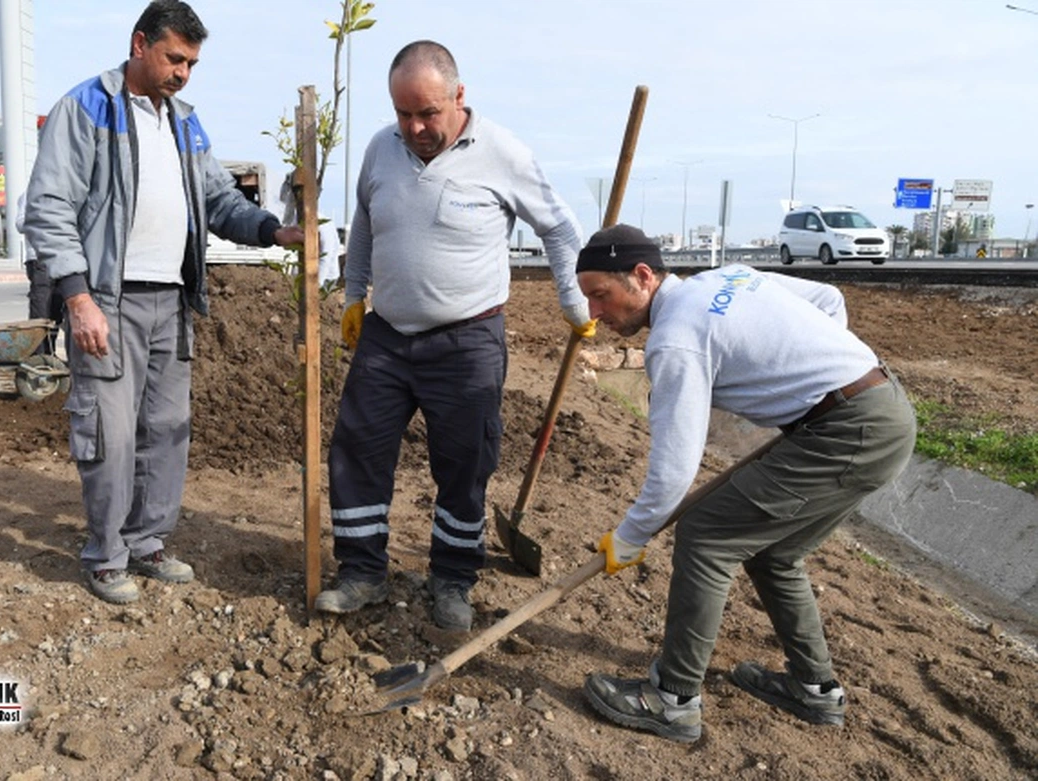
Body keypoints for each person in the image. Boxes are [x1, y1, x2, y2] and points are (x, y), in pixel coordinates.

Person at [574, 225, 916, 743]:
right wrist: (815, 385)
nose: (595, 313)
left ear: (643, 277)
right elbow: (828, 299)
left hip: (847, 429)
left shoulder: (675, 341)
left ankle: (673, 699)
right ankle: (815, 689)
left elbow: (674, 468)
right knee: (773, 553)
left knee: (706, 536)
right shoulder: (728, 277)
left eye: (601, 295)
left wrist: (630, 536)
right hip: (882, 404)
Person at [24, 0, 304, 604]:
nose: (183, 72)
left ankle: (148, 542)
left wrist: (272, 230)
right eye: (175, 58)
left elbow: (220, 200)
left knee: (167, 430)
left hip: (172, 300)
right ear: (139, 44)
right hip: (107, 300)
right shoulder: (88, 108)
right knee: (111, 432)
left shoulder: (184, 122)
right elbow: (48, 208)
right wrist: (77, 298)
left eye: (192, 63)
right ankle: (105, 555)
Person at [315, 40, 592, 632]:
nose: (414, 127)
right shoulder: (380, 150)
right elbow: (362, 223)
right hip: (387, 336)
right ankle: (362, 572)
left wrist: (572, 300)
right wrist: (355, 295)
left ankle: (452, 580)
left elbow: (562, 230)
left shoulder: (503, 153)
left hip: (467, 341)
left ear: (459, 96)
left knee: (464, 464)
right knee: (357, 452)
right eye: (402, 114)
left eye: (427, 113)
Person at [16, 192, 63, 355]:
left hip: (61, 257)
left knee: (57, 309)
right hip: (39, 258)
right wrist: (47, 219)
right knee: (41, 308)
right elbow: (20, 224)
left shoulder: (63, 191)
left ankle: (50, 353)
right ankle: (39, 357)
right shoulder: (30, 193)